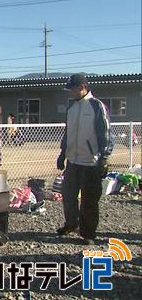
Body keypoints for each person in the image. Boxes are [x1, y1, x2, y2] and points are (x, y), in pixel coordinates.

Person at [56, 74, 113, 245]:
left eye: (72, 88)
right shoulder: (72, 108)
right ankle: (71, 224)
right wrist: (62, 154)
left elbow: (106, 135)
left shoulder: (96, 106)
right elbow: (68, 133)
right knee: (68, 195)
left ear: (82, 87)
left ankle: (88, 233)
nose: (70, 92)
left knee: (89, 199)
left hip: (91, 162)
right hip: (73, 161)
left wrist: (103, 159)